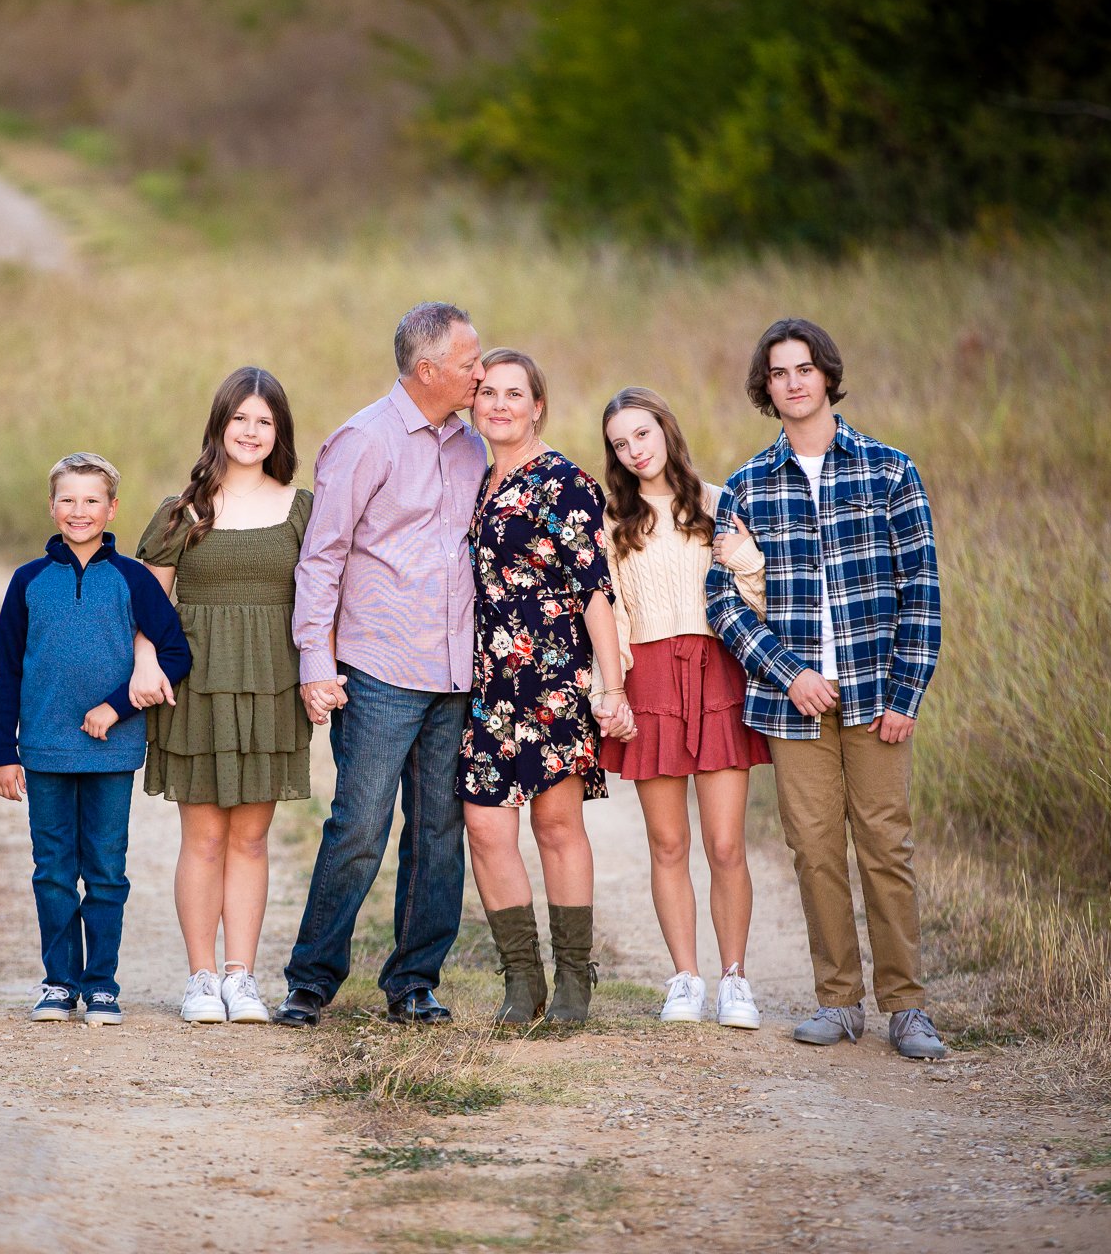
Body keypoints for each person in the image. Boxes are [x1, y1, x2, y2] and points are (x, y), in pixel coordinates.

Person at [705, 318, 947, 1060]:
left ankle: (907, 1007)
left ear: (827, 376)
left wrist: (906, 695)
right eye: (779, 372)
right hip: (795, 704)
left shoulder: (889, 471)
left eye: (805, 368)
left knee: (885, 848)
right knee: (813, 851)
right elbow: (723, 603)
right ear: (766, 388)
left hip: (877, 699)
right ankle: (839, 1003)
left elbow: (923, 591)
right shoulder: (747, 487)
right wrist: (790, 672)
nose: (794, 382)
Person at [276, 301, 487, 1028]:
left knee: (438, 833)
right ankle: (311, 979)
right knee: (360, 828)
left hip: (456, 672)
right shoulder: (364, 440)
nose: (480, 374)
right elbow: (322, 556)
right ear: (428, 370)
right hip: (378, 669)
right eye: (469, 363)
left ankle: (414, 982)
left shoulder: (473, 446)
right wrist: (315, 661)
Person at [135, 367, 313, 1026]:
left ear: (279, 432)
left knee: (252, 838)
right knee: (205, 837)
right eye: (240, 418)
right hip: (198, 686)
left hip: (271, 683)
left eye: (265, 421)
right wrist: (145, 662)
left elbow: (322, 597)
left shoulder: (303, 509)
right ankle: (201, 979)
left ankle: (242, 978)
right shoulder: (183, 511)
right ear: (220, 424)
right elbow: (149, 604)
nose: (251, 431)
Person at [459, 349, 630, 1027]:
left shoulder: (565, 482)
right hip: (486, 682)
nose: (499, 405)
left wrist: (611, 688)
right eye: (489, 393)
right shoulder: (475, 478)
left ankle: (573, 981)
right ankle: (521, 979)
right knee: (484, 825)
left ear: (538, 407)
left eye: (514, 394)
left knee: (556, 825)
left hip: (554, 678)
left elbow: (595, 592)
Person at [0, 452, 192, 1026]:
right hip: (45, 752)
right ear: (51, 506)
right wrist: (4, 752)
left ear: (112, 508)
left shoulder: (132, 578)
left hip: (112, 752)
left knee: (105, 871)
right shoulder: (28, 581)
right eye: (68, 500)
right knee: (53, 871)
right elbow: (8, 669)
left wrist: (118, 706)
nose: (79, 511)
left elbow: (175, 653)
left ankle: (101, 985)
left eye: (92, 500)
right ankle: (59, 983)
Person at [597, 387, 771, 1029]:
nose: (634, 451)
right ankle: (686, 978)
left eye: (642, 434)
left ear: (666, 429)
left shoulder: (720, 503)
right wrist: (611, 689)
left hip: (716, 671)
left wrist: (746, 559)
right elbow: (611, 614)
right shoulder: (615, 522)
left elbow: (760, 600)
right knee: (668, 842)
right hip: (650, 681)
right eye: (620, 444)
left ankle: (734, 979)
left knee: (725, 844)